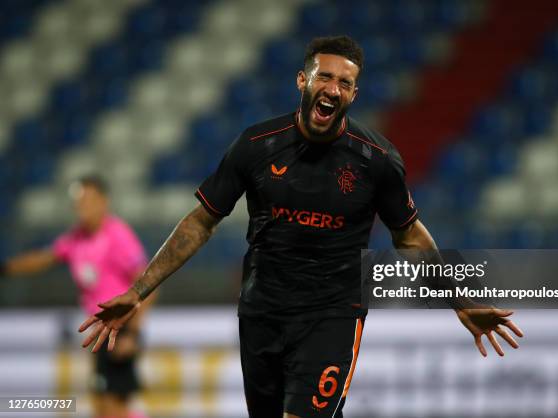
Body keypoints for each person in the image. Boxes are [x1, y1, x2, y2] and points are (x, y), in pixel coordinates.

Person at [78, 36, 523, 418]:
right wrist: (137, 292)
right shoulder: (255, 146)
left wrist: (462, 302)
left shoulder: (377, 162)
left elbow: (409, 235)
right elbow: (201, 221)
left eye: (344, 83)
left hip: (331, 315)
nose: (333, 88)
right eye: (324, 78)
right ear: (302, 81)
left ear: (354, 93)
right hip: (261, 314)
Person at [1, 175, 152, 418]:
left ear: (104, 201)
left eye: (88, 200)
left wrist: (133, 332)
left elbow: (147, 284)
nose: (82, 207)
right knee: (103, 406)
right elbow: (44, 259)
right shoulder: (76, 238)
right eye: (78, 202)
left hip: (118, 329)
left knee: (114, 408)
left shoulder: (117, 235)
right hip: (100, 332)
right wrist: (6, 268)